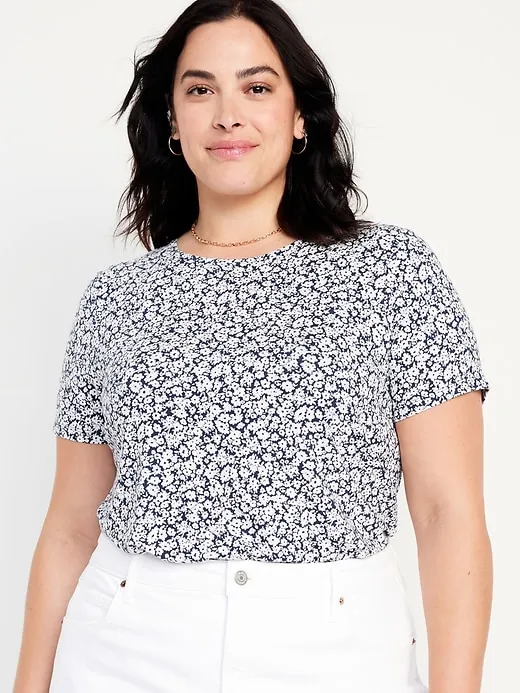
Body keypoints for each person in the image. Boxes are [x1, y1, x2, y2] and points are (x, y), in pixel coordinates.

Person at [13, 1, 493, 691]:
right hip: (124, 649)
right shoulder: (116, 299)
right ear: (172, 121)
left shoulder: (393, 271)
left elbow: (449, 514)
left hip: (336, 654)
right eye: (200, 90)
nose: (227, 115)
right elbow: (69, 526)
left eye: (257, 87)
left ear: (300, 116)